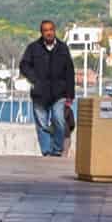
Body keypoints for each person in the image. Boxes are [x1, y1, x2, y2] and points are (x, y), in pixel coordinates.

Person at [18, 20, 76, 157]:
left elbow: (70, 72)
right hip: (40, 94)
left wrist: (70, 95)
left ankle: (57, 150)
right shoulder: (33, 48)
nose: (49, 32)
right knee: (42, 125)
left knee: (59, 120)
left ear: (54, 31)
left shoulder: (63, 48)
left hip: (59, 94)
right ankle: (47, 152)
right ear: (41, 32)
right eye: (45, 30)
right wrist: (34, 79)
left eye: (51, 30)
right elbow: (24, 65)